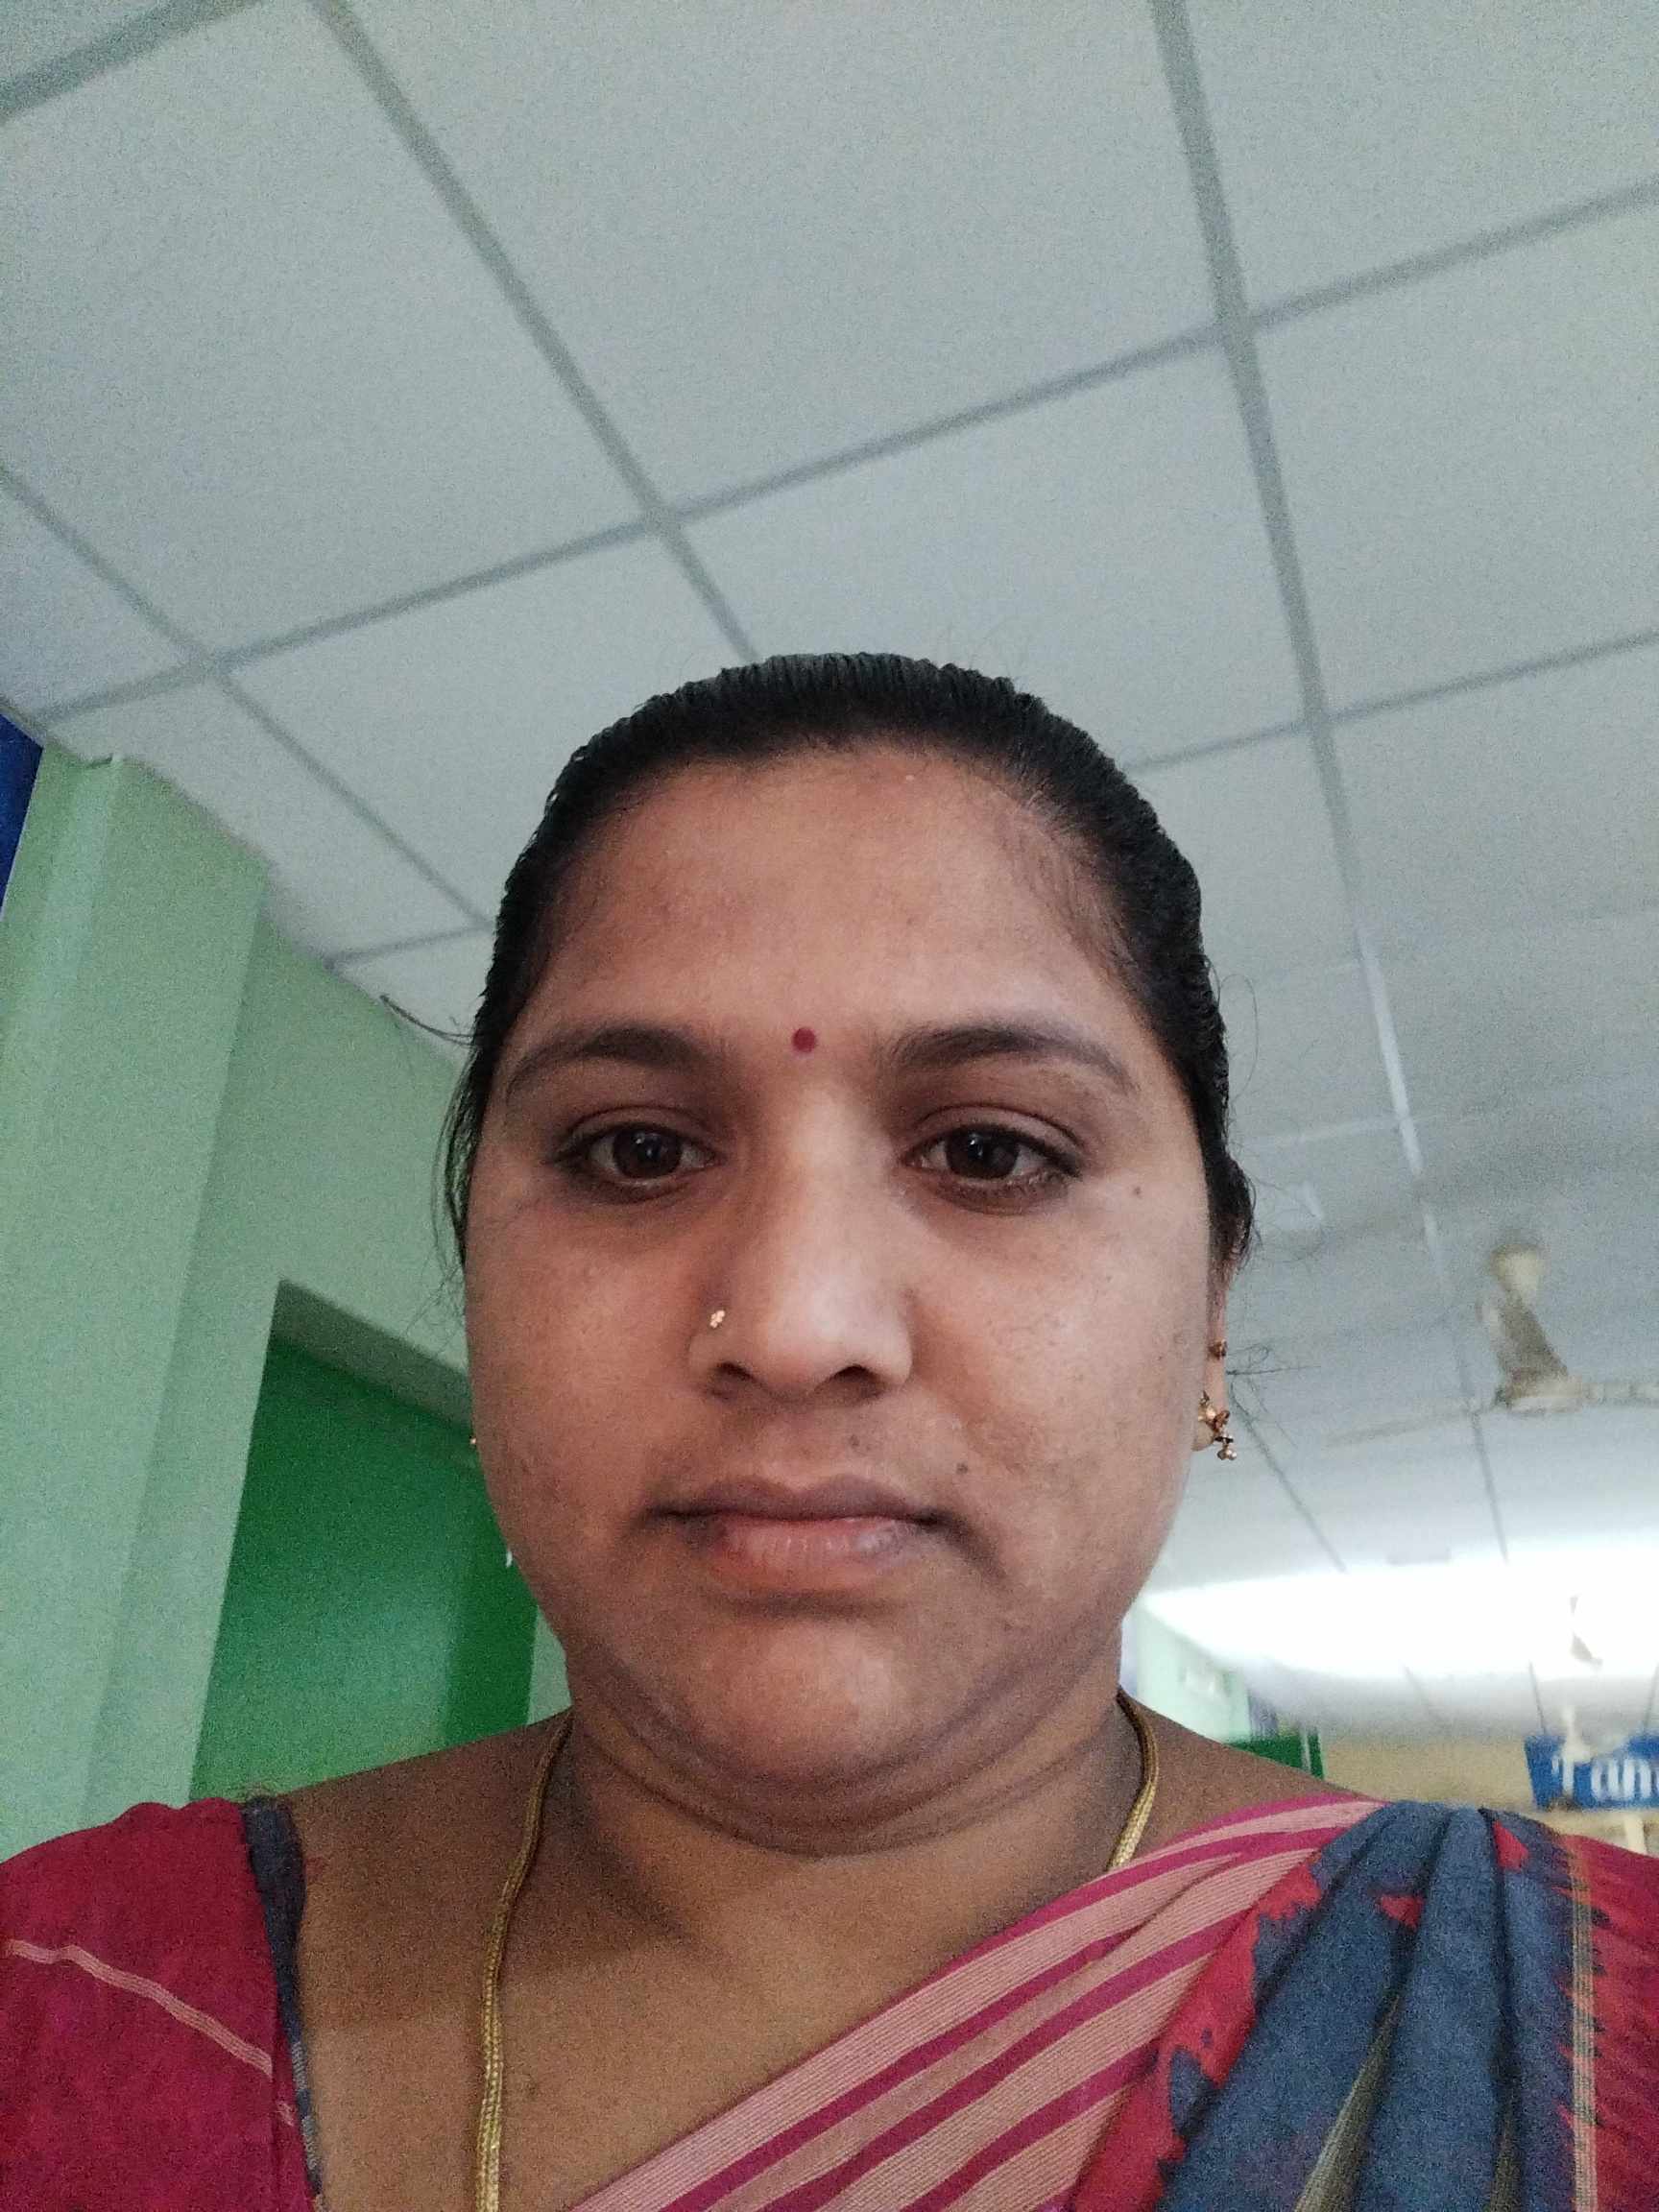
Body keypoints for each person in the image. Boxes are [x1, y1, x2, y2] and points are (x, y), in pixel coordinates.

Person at [3, 654, 1655, 2211]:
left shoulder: (1601, 2028)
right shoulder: (69, 2001)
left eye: (990, 1152)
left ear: (1210, 1303)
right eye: (637, 1151)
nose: (795, 1329)